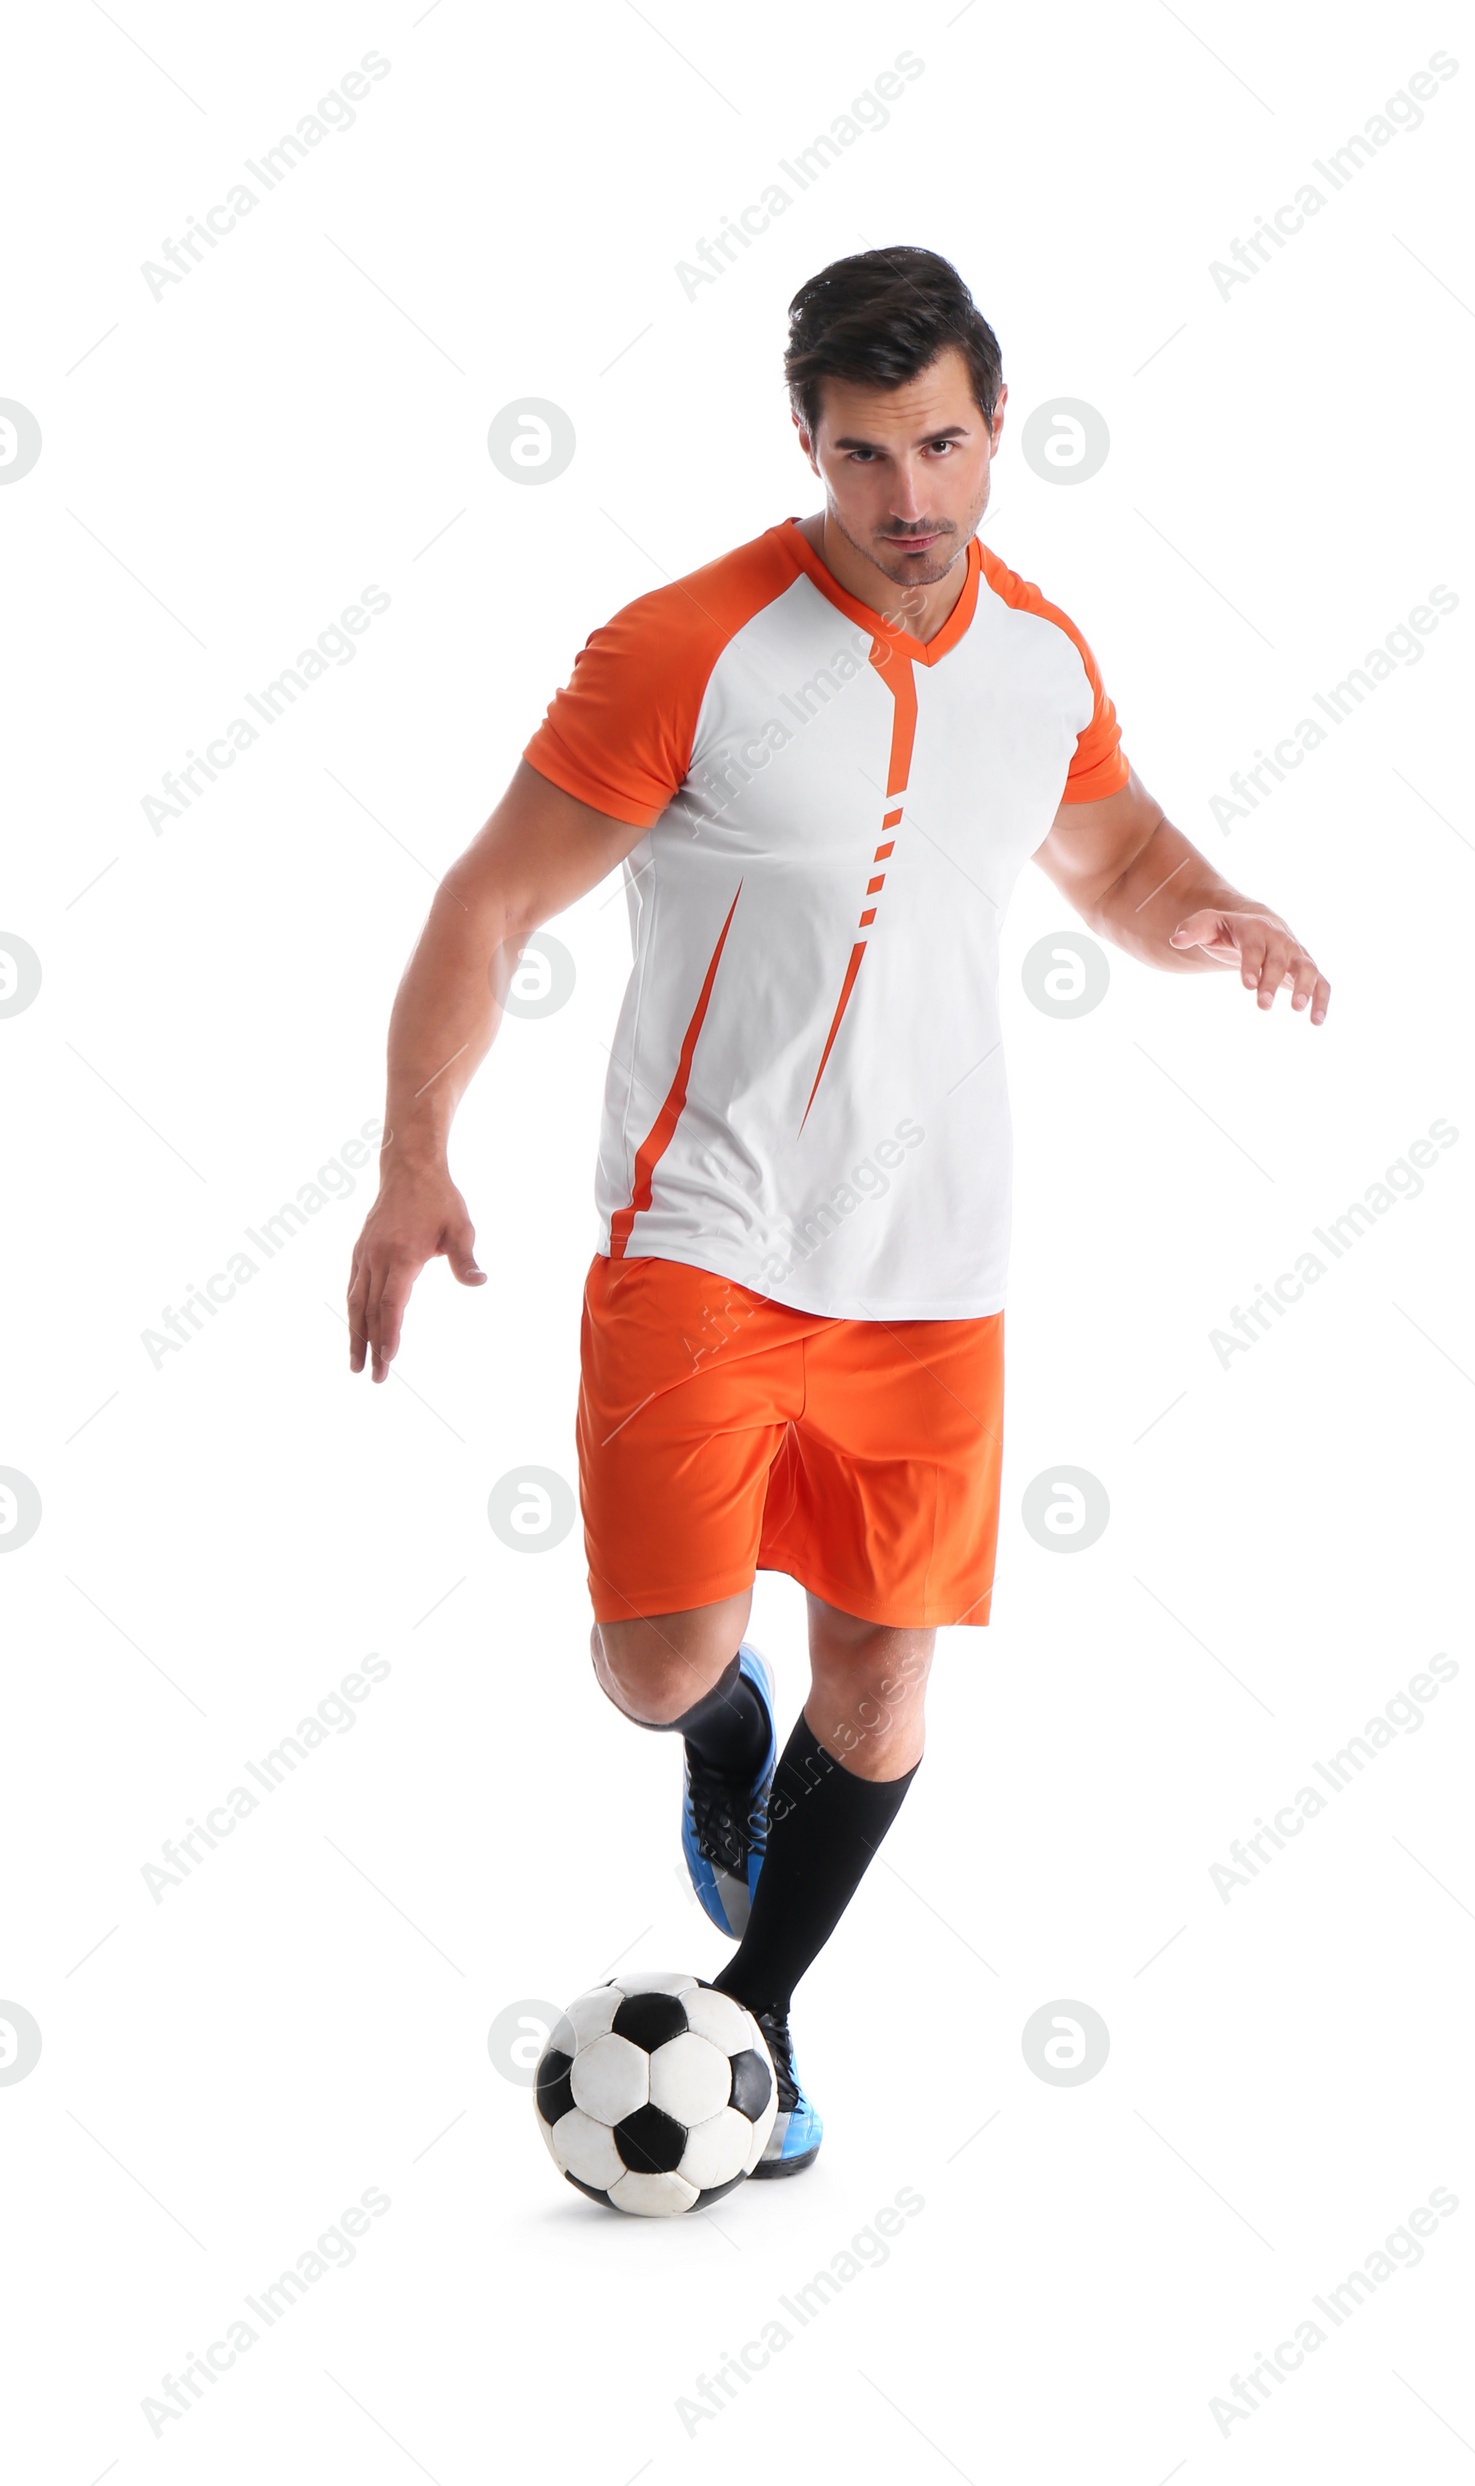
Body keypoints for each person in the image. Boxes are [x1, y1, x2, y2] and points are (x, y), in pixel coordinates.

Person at [347, 246, 1330, 2180]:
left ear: (996, 432)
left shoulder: (1042, 648)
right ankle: (724, 1736)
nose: (909, 502)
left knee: (888, 1677)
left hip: (932, 1260)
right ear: (804, 439)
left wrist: (1208, 913)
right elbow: (486, 904)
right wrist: (410, 1154)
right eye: (867, 454)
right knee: (652, 1658)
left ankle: (755, 2019)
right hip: (702, 1236)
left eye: (943, 447)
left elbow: (1114, 846)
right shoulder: (686, 649)